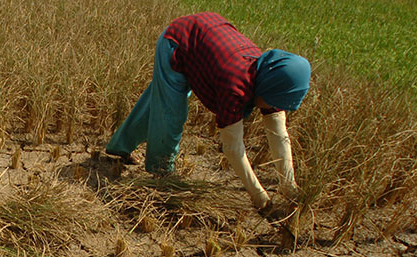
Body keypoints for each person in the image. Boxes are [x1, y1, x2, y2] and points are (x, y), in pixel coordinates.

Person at [105, 12, 311, 213]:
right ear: (269, 86)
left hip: (206, 37)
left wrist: (288, 185)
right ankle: (161, 174)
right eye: (274, 101)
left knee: (156, 104)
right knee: (170, 116)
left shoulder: (271, 76)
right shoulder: (235, 87)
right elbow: (233, 148)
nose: (270, 106)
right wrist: (259, 196)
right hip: (177, 43)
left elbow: (279, 134)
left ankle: (119, 148)